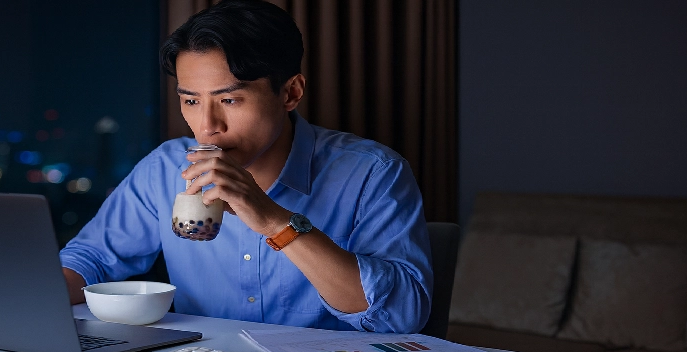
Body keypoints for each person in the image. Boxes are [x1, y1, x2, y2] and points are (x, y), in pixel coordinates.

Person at [60, 0, 432, 334]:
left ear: (290, 93)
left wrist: (274, 221)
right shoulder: (165, 168)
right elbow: (92, 260)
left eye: (230, 100)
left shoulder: (373, 173)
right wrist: (33, 295)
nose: (207, 126)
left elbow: (403, 316)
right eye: (191, 101)